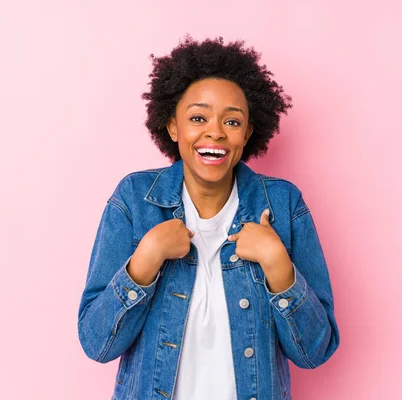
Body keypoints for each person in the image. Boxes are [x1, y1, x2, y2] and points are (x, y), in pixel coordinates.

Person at [77, 36, 340, 400]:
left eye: (232, 121)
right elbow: (97, 344)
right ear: (172, 127)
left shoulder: (284, 204)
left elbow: (314, 352)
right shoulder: (135, 201)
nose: (215, 131)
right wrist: (145, 259)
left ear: (248, 132)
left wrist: (278, 264)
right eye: (198, 117)